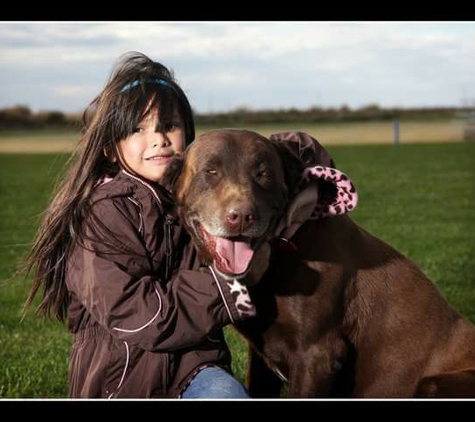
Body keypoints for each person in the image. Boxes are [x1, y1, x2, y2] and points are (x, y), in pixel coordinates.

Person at [23, 51, 357, 399]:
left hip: (196, 370)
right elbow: (140, 317)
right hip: (121, 382)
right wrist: (229, 282)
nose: (158, 139)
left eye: (169, 126)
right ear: (109, 149)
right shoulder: (102, 214)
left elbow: (287, 151)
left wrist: (298, 175)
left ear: (189, 136)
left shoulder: (198, 188)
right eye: (137, 129)